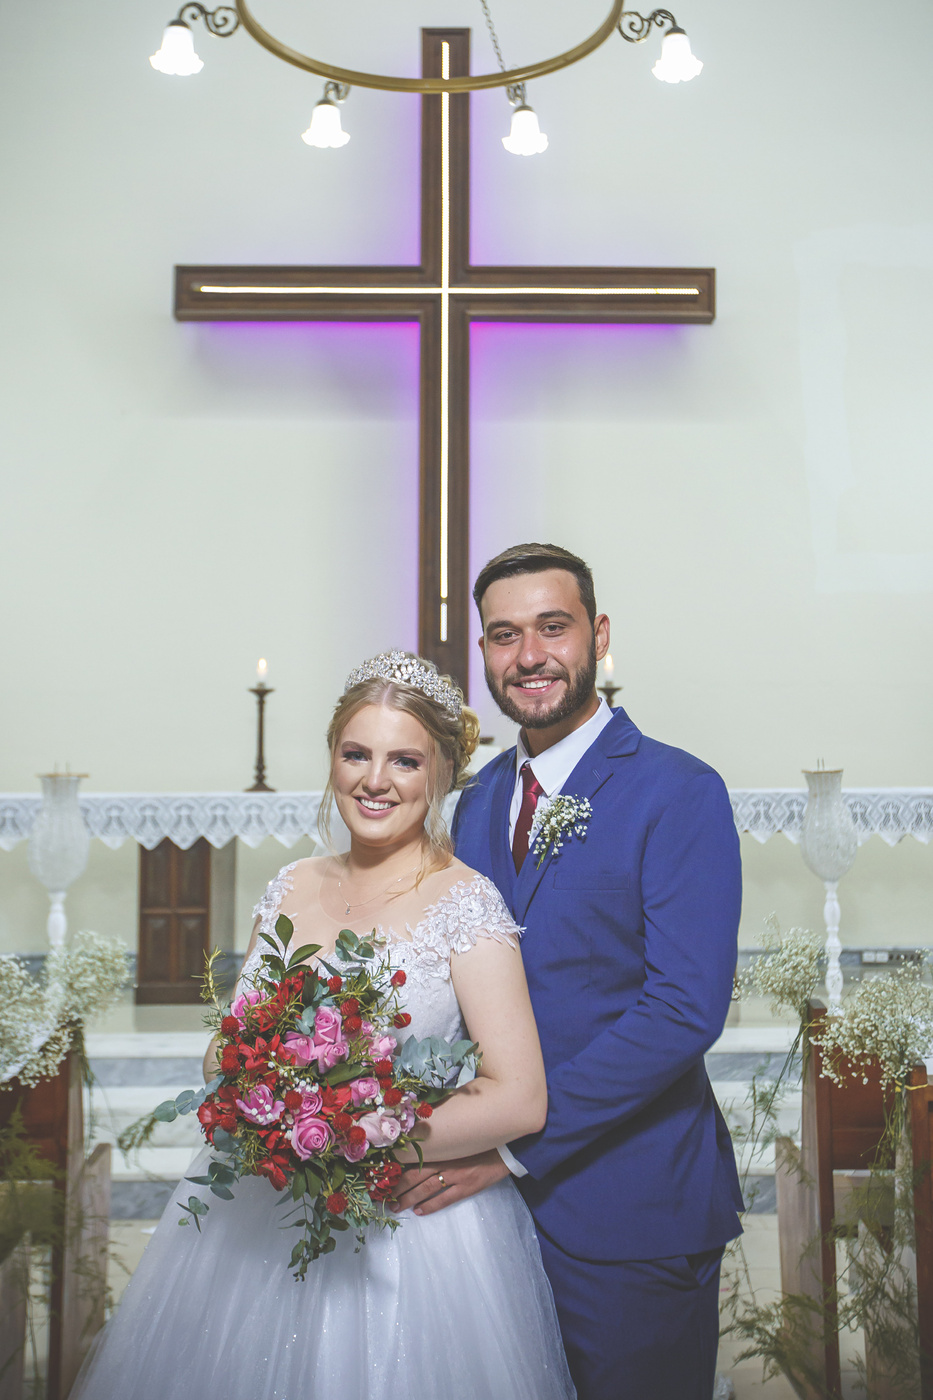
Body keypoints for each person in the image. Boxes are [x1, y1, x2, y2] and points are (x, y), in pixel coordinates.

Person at [71, 651, 575, 1400]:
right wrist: (269, 1099)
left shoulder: (466, 903)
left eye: (404, 760)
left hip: (411, 1233)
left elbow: (519, 1097)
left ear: (441, 773)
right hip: (263, 1203)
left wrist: (359, 1135)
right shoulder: (292, 885)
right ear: (332, 758)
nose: (375, 780)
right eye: (356, 754)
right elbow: (226, 1048)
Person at [395, 544, 744, 1400]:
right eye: (503, 635)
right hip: (482, 1220)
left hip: (630, 1205)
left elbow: (682, 1008)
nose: (529, 656)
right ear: (483, 653)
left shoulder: (677, 790)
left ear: (598, 634)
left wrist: (512, 1146)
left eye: (552, 627)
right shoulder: (475, 801)